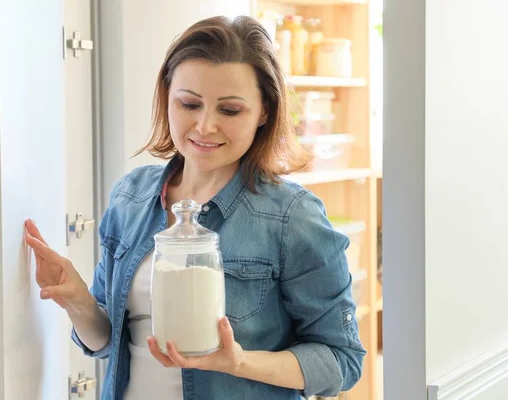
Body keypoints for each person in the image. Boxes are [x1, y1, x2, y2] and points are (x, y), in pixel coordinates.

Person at [24, 15, 365, 400]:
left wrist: (238, 362)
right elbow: (107, 342)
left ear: (264, 112)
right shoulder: (130, 197)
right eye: (189, 104)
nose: (204, 126)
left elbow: (342, 360)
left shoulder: (291, 217)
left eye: (230, 110)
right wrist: (77, 300)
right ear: (167, 97)